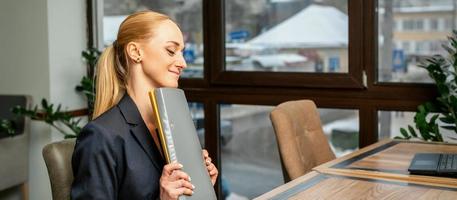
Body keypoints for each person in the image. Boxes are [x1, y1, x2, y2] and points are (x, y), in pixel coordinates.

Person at [71, 10, 218, 200]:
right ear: (135, 52)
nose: (183, 63)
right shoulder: (100, 136)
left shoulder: (169, 126)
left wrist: (198, 186)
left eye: (181, 52)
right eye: (171, 51)